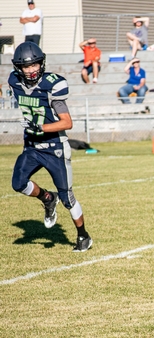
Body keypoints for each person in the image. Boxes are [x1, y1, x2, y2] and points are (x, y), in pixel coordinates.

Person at [9, 42, 93, 252]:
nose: (31, 70)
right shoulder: (14, 81)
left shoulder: (52, 85)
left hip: (55, 146)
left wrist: (41, 126)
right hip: (32, 146)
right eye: (26, 67)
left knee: (67, 197)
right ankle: (48, 198)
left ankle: (83, 235)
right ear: (19, 68)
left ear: (42, 63)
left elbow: (67, 122)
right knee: (18, 183)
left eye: (35, 65)